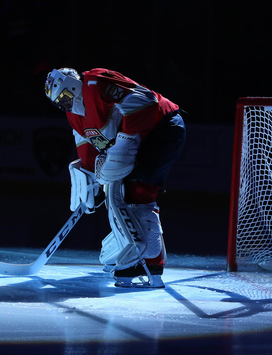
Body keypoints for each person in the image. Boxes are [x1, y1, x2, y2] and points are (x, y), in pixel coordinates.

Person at [44, 68, 186, 288]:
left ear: (72, 84)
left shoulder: (96, 82)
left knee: (136, 193)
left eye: (64, 97)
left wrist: (125, 142)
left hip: (162, 128)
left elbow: (143, 100)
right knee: (125, 194)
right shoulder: (73, 115)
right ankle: (149, 260)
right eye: (59, 103)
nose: (65, 104)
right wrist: (90, 181)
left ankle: (145, 261)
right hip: (143, 140)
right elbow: (86, 148)